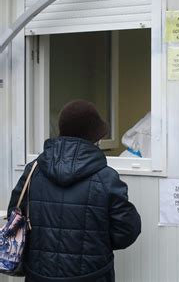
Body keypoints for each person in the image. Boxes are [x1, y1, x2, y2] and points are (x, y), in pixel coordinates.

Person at [8, 100, 141, 282]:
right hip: (93, 275)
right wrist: (95, 243)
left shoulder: (33, 171)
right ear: (94, 137)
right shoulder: (106, 178)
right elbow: (127, 231)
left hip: (38, 275)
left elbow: (15, 216)